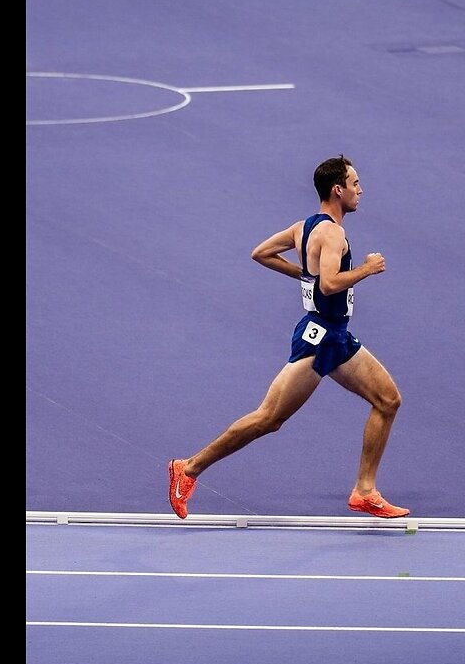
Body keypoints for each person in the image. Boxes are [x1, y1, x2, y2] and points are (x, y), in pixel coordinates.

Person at [168, 155, 409, 519]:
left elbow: (261, 253)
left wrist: (303, 275)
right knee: (269, 418)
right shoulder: (332, 233)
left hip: (336, 337)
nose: (361, 190)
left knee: (388, 400)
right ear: (337, 189)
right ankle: (187, 469)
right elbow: (329, 285)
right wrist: (366, 269)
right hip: (319, 339)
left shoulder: (304, 227)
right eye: (355, 183)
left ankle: (364, 491)